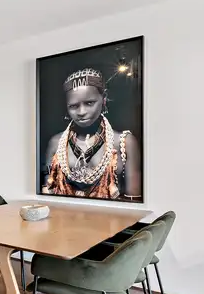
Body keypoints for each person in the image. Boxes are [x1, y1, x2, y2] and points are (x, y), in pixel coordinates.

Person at [42, 68, 141, 201]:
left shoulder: (124, 143)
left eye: (89, 103)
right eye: (73, 106)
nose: (81, 112)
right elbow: (47, 193)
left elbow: (134, 201)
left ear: (104, 99)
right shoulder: (56, 143)